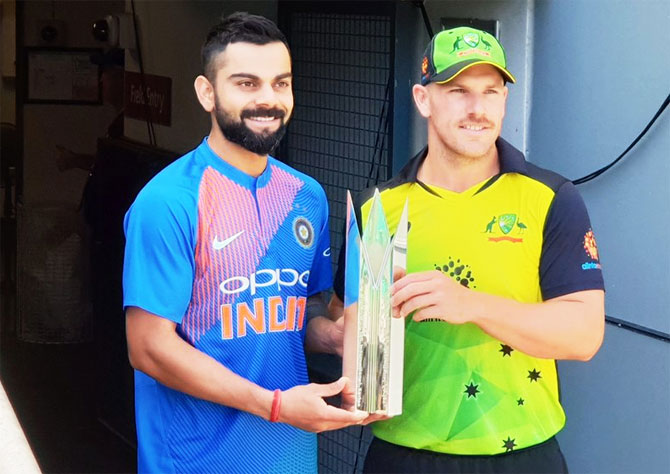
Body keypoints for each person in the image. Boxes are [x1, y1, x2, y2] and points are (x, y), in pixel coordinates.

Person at [331, 26, 605, 473]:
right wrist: (347, 349)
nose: (477, 109)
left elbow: (584, 334)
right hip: (405, 457)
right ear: (423, 100)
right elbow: (342, 318)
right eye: (458, 91)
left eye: (491, 92)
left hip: (521, 454)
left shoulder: (551, 197)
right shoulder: (375, 210)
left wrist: (470, 304)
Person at [122, 12, 366, 473]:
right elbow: (149, 347)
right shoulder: (170, 201)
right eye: (247, 84)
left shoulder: (306, 196)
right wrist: (274, 405)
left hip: (289, 458)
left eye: (281, 83)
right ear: (207, 93)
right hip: (194, 460)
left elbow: (296, 312)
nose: (268, 100)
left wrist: (333, 336)